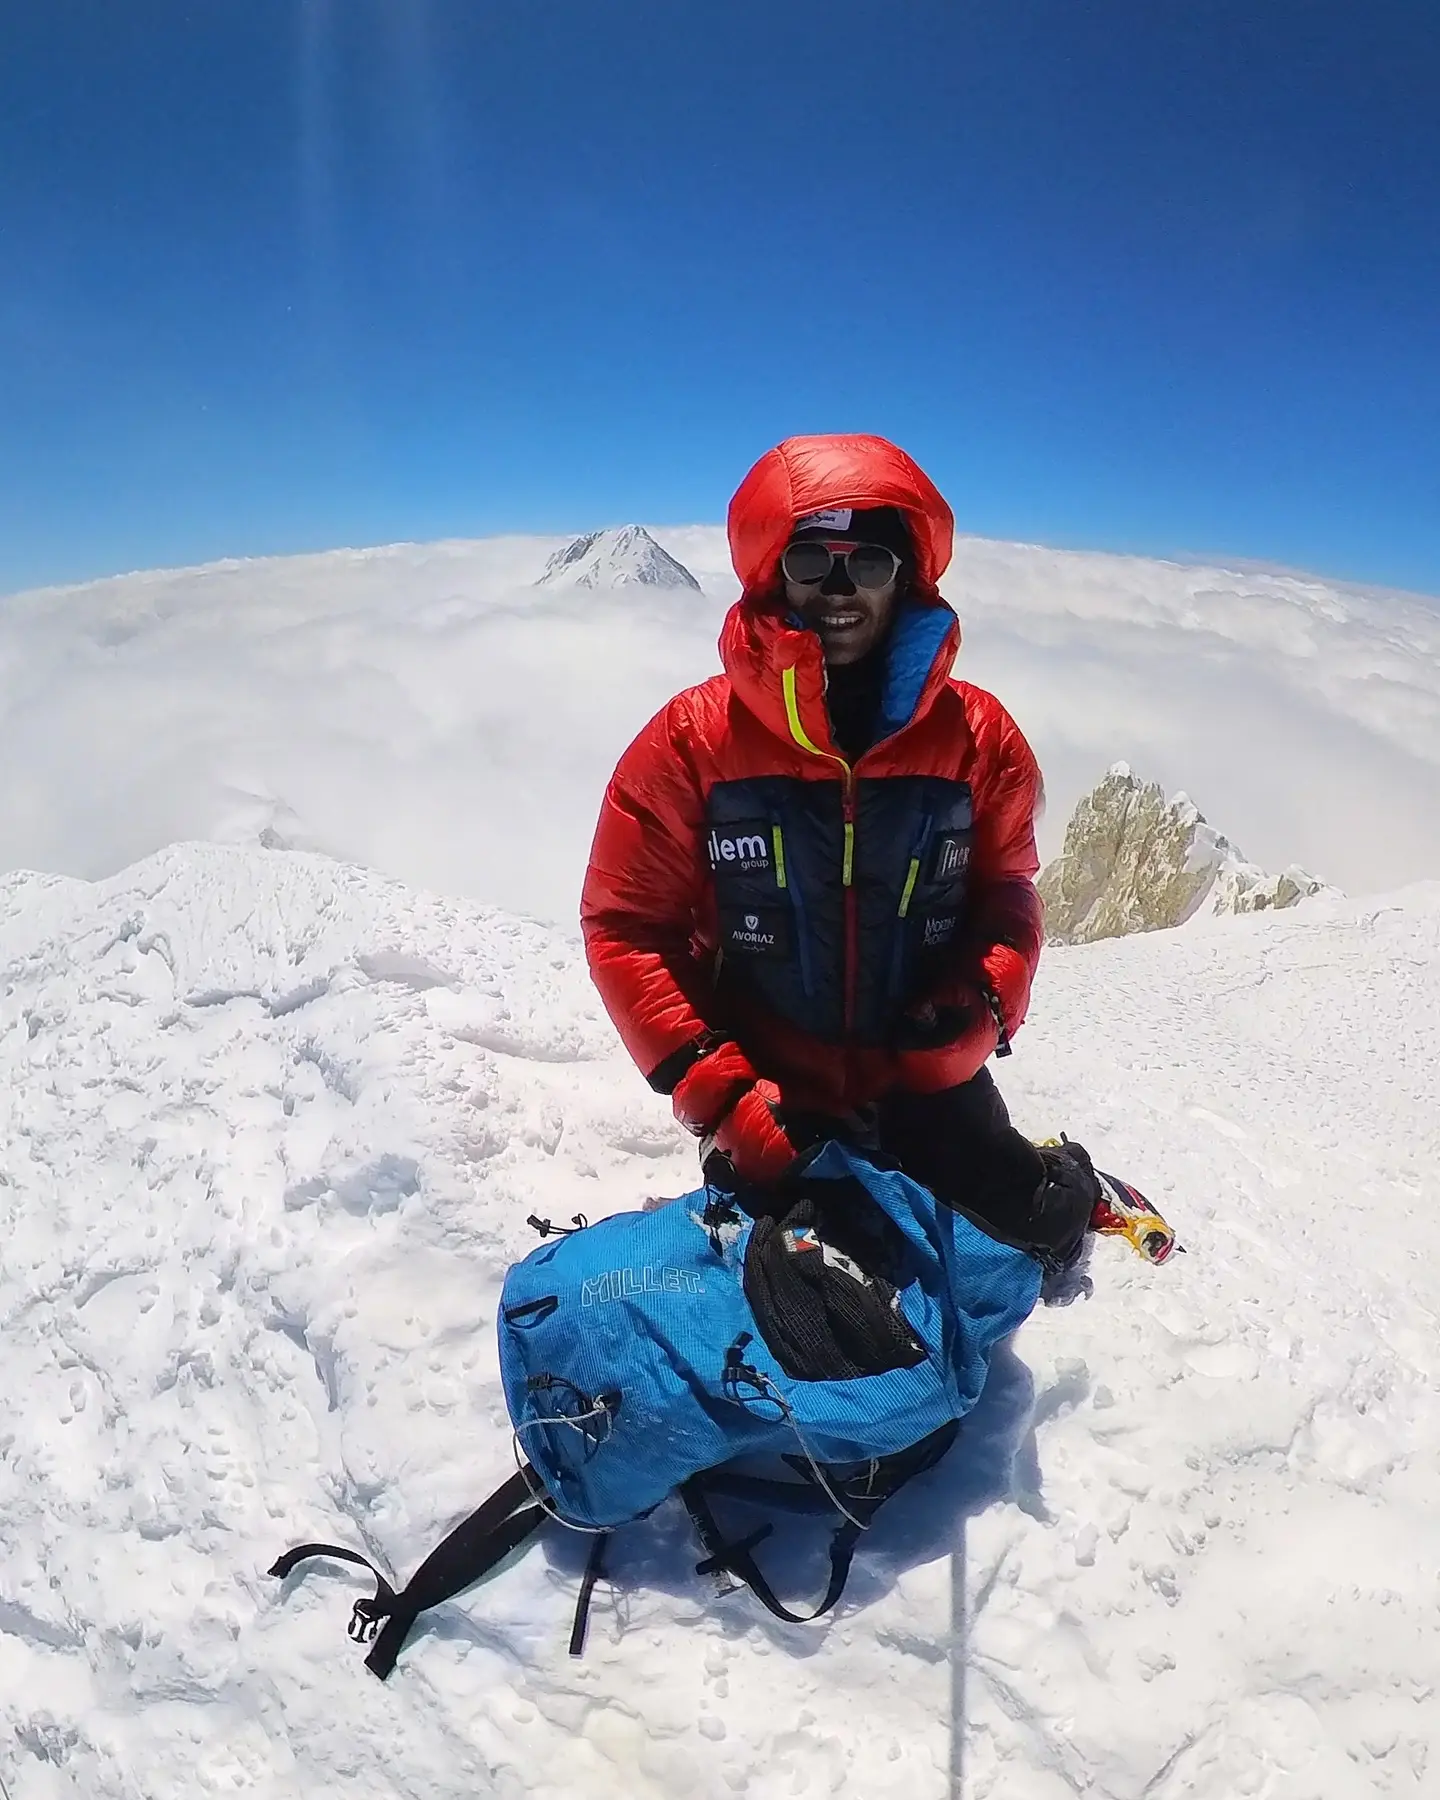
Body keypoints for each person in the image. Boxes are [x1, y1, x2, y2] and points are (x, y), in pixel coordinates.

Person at [580, 433, 1099, 1276]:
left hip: (922, 1076)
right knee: (836, 1322)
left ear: (908, 576)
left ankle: (1055, 1177)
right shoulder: (691, 743)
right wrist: (726, 1097)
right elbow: (627, 927)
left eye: (870, 563)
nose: (839, 589)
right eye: (812, 561)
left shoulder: (981, 741)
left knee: (1034, 1233)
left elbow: (1006, 892)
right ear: (772, 574)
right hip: (773, 1097)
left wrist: (981, 1008)